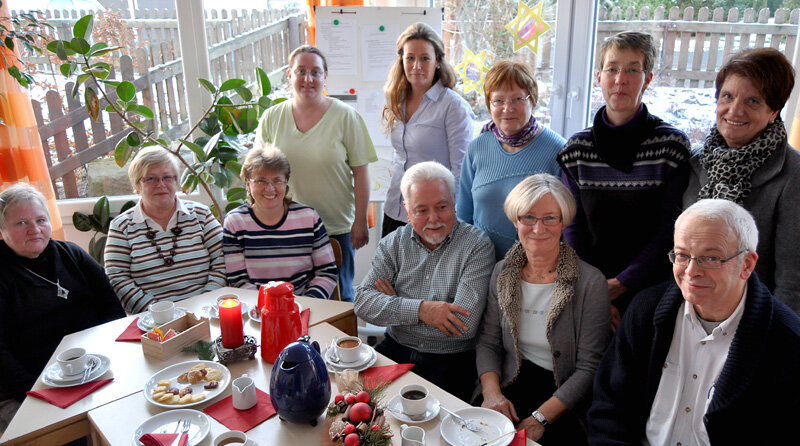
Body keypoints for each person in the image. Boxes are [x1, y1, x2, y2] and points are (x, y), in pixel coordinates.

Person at [588, 199, 800, 445]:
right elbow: (609, 410)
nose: (691, 271)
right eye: (682, 255)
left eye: (711, 258)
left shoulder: (787, 341)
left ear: (747, 264)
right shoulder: (645, 310)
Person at [557, 31, 691, 327]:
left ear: (648, 78)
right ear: (599, 76)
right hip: (588, 284)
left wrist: (623, 283)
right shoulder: (577, 150)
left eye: (633, 69)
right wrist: (597, 288)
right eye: (613, 68)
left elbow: (672, 227)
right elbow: (572, 225)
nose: (621, 79)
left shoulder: (671, 146)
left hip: (653, 287)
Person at [475, 174, 611, 444]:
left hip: (563, 395)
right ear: (516, 221)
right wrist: (491, 394)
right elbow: (488, 342)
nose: (539, 229)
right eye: (528, 217)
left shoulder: (591, 282)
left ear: (564, 222)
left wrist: (541, 418)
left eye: (550, 218)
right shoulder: (502, 272)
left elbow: (590, 366)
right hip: (510, 381)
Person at [354, 161, 495, 401]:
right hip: (394, 349)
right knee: (356, 407)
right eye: (421, 210)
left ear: (454, 202)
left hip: (451, 361)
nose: (434, 218)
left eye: (442, 206)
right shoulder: (393, 243)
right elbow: (363, 303)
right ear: (407, 212)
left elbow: (463, 326)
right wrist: (421, 310)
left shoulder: (477, 246)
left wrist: (395, 305)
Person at [254, 45, 377, 302]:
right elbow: (258, 173)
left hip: (335, 227)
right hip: (284, 227)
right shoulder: (271, 118)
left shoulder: (347, 117)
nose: (307, 79)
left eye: (315, 72)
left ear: (325, 77)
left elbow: (362, 172)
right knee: (291, 300)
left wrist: (360, 221)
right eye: (300, 71)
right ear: (289, 75)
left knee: (339, 300)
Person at [683, 48, 800, 313]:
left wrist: (776, 340)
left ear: (774, 111)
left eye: (753, 101)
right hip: (689, 311)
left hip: (753, 318)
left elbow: (792, 281)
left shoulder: (793, 175)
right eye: (727, 96)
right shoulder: (695, 161)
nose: (734, 110)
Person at [0, 184, 125, 430]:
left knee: (124, 419)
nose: (35, 230)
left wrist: (108, 357)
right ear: (1, 230)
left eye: (40, 219)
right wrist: (37, 389)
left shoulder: (71, 253)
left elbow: (111, 305)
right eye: (21, 223)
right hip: (28, 386)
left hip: (92, 368)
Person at [457, 60, 564, 259]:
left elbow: (564, 223)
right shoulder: (477, 148)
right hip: (480, 263)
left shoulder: (557, 150)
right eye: (499, 100)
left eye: (517, 99)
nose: (508, 108)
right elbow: (463, 216)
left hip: (535, 266)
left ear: (533, 101)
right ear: (489, 104)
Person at [105, 147, 226, 314]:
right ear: (137, 185)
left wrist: (205, 304)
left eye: (167, 178)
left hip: (206, 312)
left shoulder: (201, 215)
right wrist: (160, 312)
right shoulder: (121, 227)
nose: (161, 185)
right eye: (151, 179)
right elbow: (117, 277)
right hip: (153, 321)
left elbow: (223, 260)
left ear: (176, 181)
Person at [381, 22, 475, 237]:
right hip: (396, 207)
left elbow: (461, 171)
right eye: (410, 58)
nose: (416, 66)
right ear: (402, 61)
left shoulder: (453, 107)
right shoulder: (397, 100)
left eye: (425, 58)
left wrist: (454, 223)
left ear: (438, 62)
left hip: (431, 217)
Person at [223, 145, 338, 299]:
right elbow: (238, 279)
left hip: (305, 304)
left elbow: (327, 272)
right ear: (248, 185)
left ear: (286, 183)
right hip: (259, 307)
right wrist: (271, 306)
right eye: (261, 181)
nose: (270, 189)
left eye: (277, 180)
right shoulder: (235, 222)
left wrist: (308, 303)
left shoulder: (308, 217)